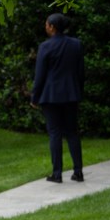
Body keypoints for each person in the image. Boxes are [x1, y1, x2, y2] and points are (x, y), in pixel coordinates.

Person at [31, 13, 85, 183]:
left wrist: (35, 97)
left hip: (51, 95)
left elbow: (40, 75)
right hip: (71, 94)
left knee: (54, 133)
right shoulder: (76, 45)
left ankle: (57, 173)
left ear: (52, 27)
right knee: (72, 132)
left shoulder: (45, 47)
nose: (45, 27)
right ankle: (78, 171)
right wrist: (78, 91)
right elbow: (81, 72)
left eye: (46, 24)